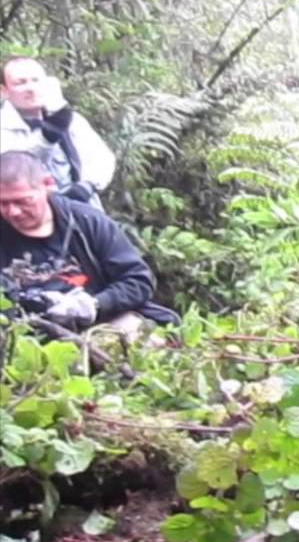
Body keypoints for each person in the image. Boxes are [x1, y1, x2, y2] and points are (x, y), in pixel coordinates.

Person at [0, 150, 176, 341]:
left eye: (23, 201)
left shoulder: (87, 222)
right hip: (24, 335)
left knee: (141, 337)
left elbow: (138, 281)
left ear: (47, 185)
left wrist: (95, 304)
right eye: (3, 203)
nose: (13, 212)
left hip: (102, 324)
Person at [0, 57, 117, 209]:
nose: (31, 88)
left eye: (36, 80)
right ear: (4, 90)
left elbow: (102, 157)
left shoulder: (68, 119)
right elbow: (11, 169)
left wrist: (87, 185)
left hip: (85, 210)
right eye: (20, 83)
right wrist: (46, 139)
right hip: (26, 215)